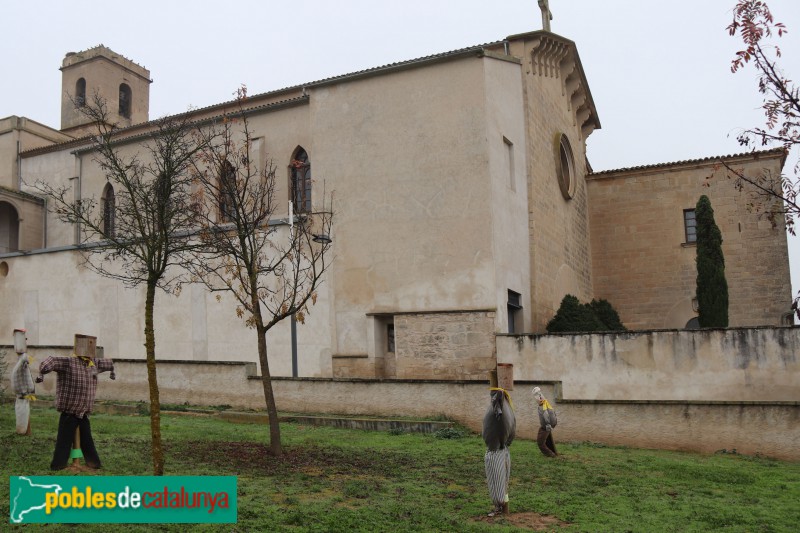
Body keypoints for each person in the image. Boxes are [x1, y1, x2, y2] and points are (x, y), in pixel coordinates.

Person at [36, 351, 115, 470]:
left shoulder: (93, 363)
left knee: (86, 438)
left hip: (83, 411)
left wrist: (111, 366)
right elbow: (50, 362)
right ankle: (59, 464)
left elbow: (109, 363)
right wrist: (44, 369)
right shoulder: (68, 362)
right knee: (64, 439)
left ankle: (93, 463)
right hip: (69, 411)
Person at [532, 386, 558, 457]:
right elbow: (554, 413)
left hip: (547, 426)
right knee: (547, 437)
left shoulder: (543, 407)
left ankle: (551, 455)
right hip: (549, 425)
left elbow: (546, 416)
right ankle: (553, 451)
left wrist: (548, 426)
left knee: (540, 442)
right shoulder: (546, 403)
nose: (537, 401)